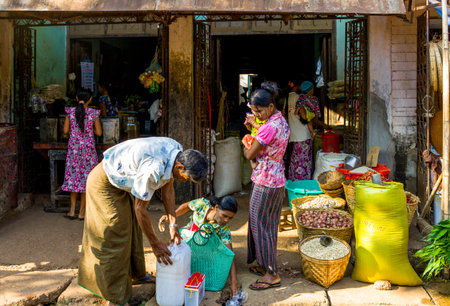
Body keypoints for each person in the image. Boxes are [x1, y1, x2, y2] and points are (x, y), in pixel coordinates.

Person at [78, 137, 208, 306]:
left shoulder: (177, 151)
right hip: (104, 182)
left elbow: (168, 188)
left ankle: (137, 274)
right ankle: (115, 296)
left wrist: (173, 224)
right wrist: (154, 244)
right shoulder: (153, 170)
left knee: (133, 227)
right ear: (179, 167)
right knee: (116, 231)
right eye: (186, 178)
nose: (184, 181)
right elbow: (141, 209)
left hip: (124, 180)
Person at [243, 81, 290, 290]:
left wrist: (248, 143)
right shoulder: (280, 121)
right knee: (268, 225)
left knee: (259, 224)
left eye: (259, 110)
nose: (256, 115)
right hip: (277, 179)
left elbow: (249, 154)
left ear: (270, 106)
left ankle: (271, 273)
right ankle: (265, 265)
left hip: (264, 180)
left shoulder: (267, 128)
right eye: (253, 111)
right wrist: (255, 127)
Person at [158, 195, 239, 295]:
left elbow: (229, 254)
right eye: (224, 216)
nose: (226, 220)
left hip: (207, 247)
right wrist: (171, 216)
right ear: (216, 207)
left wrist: (234, 282)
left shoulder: (224, 228)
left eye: (230, 218)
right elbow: (187, 206)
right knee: (177, 248)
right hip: (190, 236)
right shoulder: (202, 205)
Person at [61, 88, 102, 220]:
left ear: (77, 99)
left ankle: (72, 211)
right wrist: (89, 130)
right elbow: (99, 133)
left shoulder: (70, 112)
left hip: (74, 150)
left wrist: (73, 133)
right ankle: (81, 213)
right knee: (86, 180)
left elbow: (65, 131)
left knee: (74, 179)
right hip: (88, 151)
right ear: (90, 99)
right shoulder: (93, 113)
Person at [287, 80, 321, 181]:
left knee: (296, 159)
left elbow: (287, 113)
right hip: (303, 135)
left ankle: (293, 179)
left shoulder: (289, 97)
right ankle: (302, 182)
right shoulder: (302, 98)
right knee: (303, 161)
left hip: (294, 135)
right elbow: (306, 116)